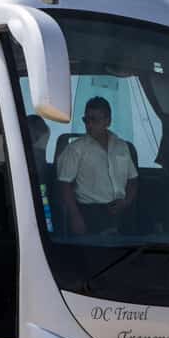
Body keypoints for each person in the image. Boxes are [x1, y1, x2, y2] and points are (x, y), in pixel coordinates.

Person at [56, 96, 138, 236]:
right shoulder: (75, 149)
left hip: (121, 211)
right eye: (86, 120)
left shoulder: (122, 146)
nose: (89, 125)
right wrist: (75, 217)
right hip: (90, 214)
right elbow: (64, 185)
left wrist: (127, 201)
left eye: (94, 120)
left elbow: (133, 179)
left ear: (108, 121)